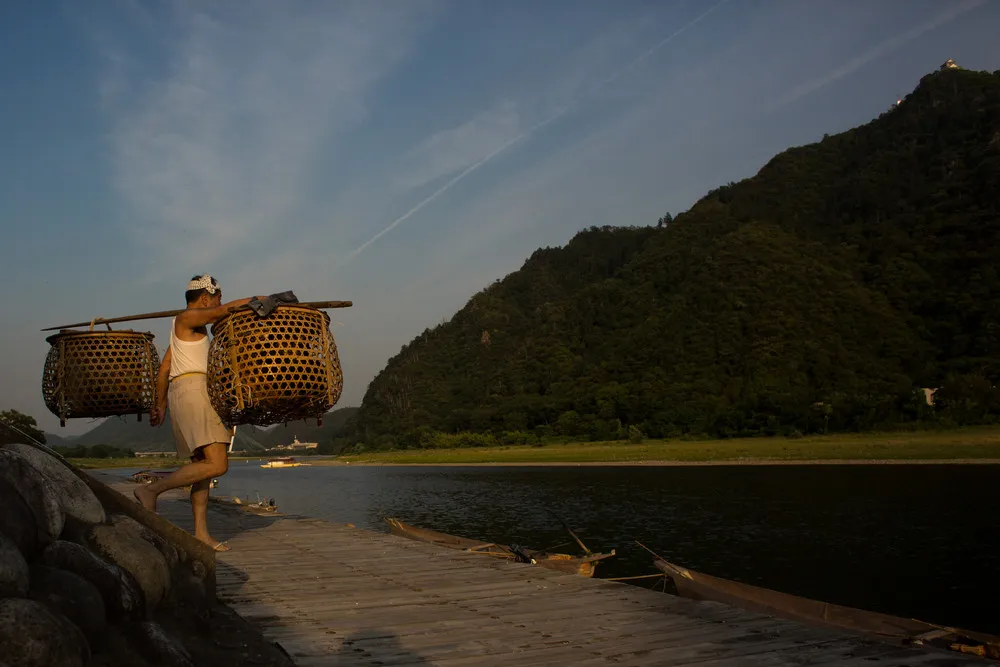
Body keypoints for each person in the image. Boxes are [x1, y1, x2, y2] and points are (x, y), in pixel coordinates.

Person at [134, 275, 261, 552]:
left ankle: (201, 534)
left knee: (202, 470)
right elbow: (224, 311)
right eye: (217, 297)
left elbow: (165, 369)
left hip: (185, 392)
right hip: (195, 390)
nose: (220, 302)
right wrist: (258, 301)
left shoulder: (185, 333)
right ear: (205, 297)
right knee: (217, 465)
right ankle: (151, 490)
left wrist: (161, 404)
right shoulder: (187, 318)